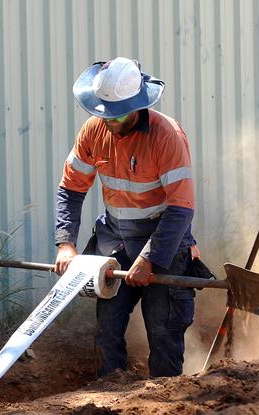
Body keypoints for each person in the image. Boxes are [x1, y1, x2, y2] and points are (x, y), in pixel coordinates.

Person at [54, 57, 197, 377]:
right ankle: (110, 403)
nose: (109, 122)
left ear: (138, 106)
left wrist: (150, 257)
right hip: (116, 238)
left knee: (162, 333)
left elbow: (181, 207)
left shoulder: (166, 136)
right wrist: (66, 244)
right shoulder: (94, 130)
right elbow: (71, 188)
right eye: (103, 112)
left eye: (118, 115)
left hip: (165, 241)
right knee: (107, 330)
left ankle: (168, 404)